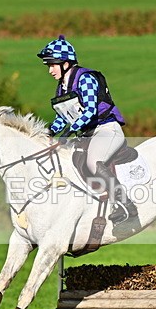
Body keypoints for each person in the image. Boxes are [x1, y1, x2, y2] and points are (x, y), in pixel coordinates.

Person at [37, 35, 138, 223]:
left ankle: (125, 203)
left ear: (65, 63)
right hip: (87, 135)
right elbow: (63, 116)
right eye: (48, 66)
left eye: (52, 65)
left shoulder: (86, 79)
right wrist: (49, 132)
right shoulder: (62, 87)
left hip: (106, 129)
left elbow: (90, 110)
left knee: (93, 162)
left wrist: (70, 130)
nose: (50, 70)